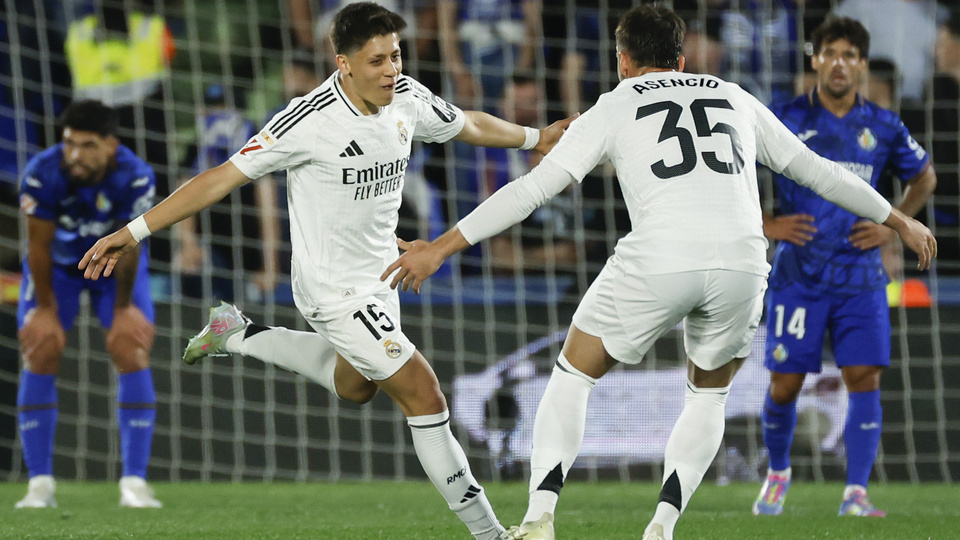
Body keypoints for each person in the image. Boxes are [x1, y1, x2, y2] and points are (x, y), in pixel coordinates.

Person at [377, 5, 936, 540]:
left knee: (572, 374)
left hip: (661, 256)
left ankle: (540, 517)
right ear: (682, 59)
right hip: (743, 262)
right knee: (708, 397)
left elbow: (532, 190)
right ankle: (662, 526)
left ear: (623, 60)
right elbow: (820, 172)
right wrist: (900, 219)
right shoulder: (734, 96)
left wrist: (441, 248)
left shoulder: (616, 102)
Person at [78, 4, 573, 538]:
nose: (391, 70)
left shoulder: (406, 96)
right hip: (331, 289)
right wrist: (133, 232)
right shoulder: (307, 120)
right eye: (377, 60)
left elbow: (467, 123)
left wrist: (535, 137)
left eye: (396, 56)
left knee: (355, 386)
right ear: (344, 63)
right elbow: (220, 178)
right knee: (424, 394)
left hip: (381, 278)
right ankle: (492, 535)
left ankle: (237, 334)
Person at [754, 16, 936, 518]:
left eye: (850, 55)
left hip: (860, 276)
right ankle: (777, 473)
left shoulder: (883, 125)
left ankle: (856, 492)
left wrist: (893, 226)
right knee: (785, 384)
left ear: (861, 65)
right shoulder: (782, 117)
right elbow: (734, 167)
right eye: (830, 53)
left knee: (864, 378)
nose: (839, 63)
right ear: (815, 60)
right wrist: (767, 223)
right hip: (799, 274)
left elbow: (924, 177)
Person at [15, 100, 161, 509]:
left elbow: (131, 244)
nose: (75, 155)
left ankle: (134, 484)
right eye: (69, 143)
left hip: (114, 266)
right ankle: (39, 485)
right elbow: (37, 246)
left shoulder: (136, 176)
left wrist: (123, 309)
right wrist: (45, 310)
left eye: (87, 145)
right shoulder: (42, 173)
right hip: (58, 270)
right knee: (40, 348)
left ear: (111, 145)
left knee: (130, 348)